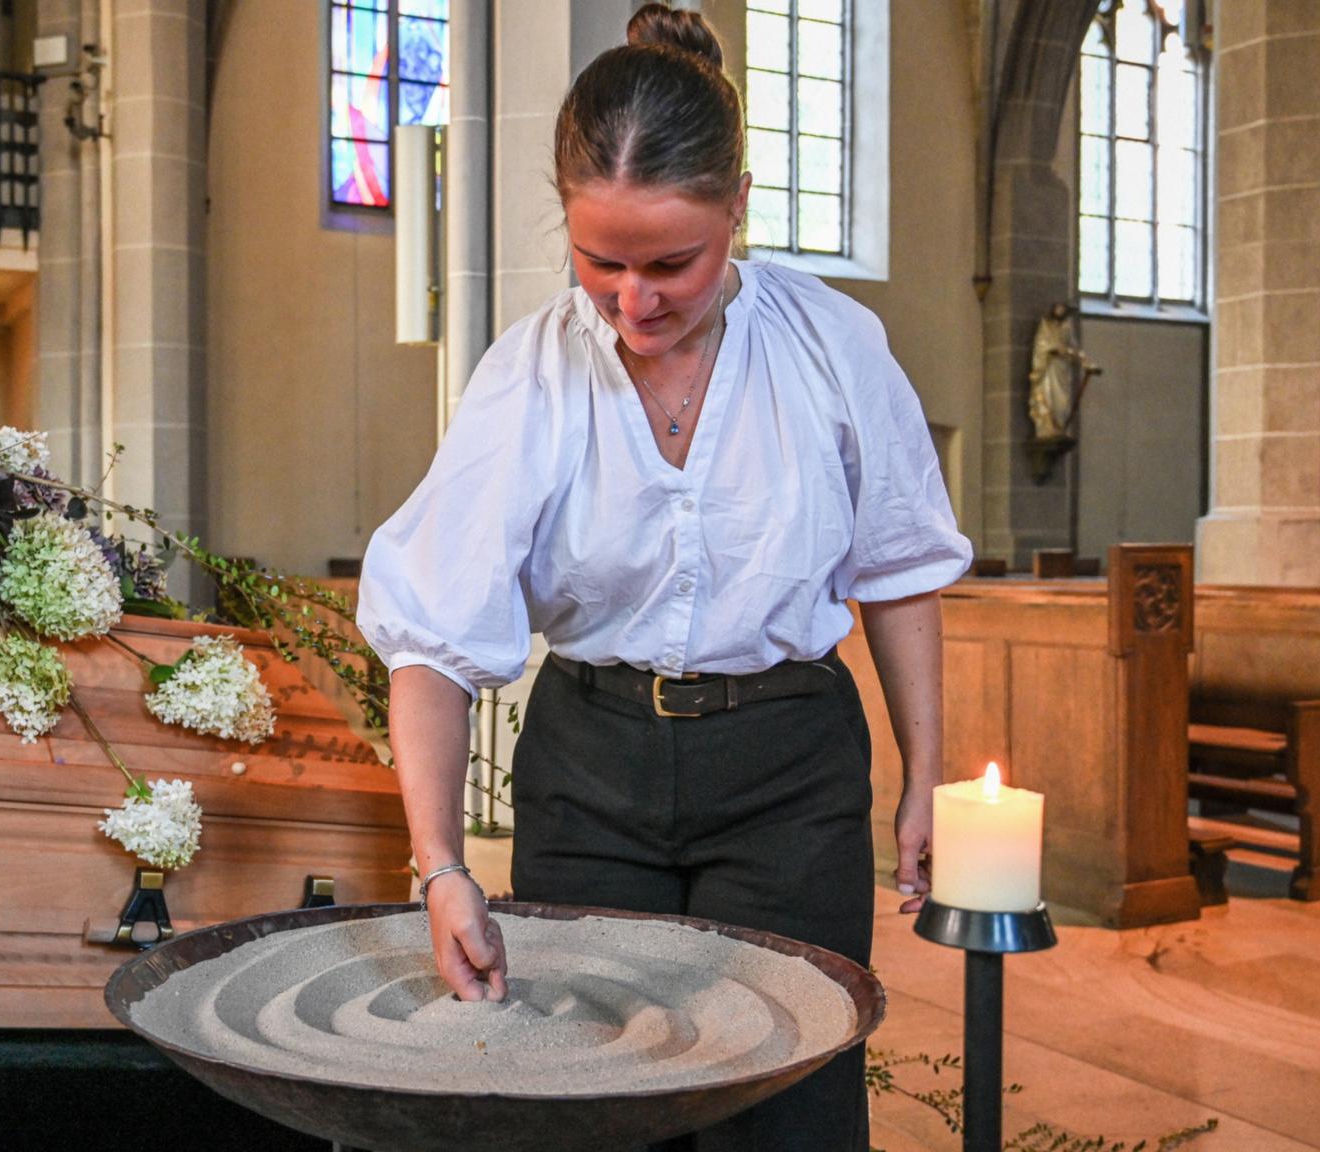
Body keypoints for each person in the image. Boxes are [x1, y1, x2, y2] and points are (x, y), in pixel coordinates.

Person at [356, 6, 971, 1149]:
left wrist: (923, 774)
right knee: (595, 1099)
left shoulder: (834, 347)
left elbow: (894, 568)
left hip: (787, 768)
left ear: (736, 206)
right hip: (589, 768)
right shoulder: (526, 375)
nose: (633, 301)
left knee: (784, 1107)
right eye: (601, 262)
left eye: (670, 263)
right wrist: (438, 868)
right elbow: (432, 639)